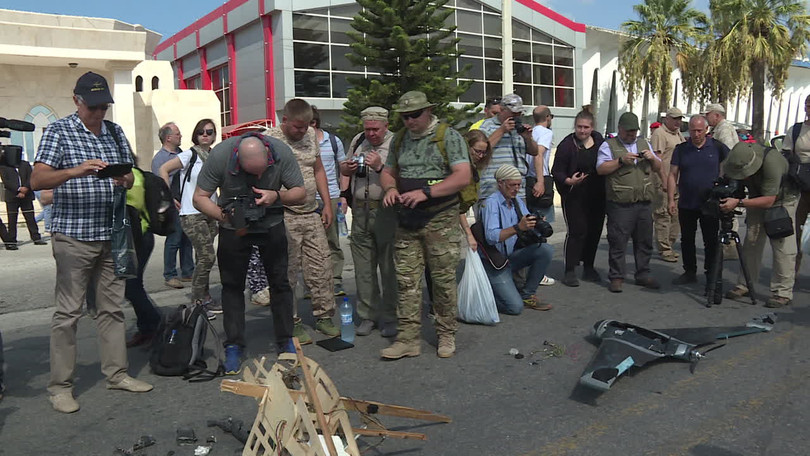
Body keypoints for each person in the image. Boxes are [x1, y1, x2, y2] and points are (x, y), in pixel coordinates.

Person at [31, 71, 153, 413]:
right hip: (73, 236)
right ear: (77, 101)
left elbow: (130, 174)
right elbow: (38, 178)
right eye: (94, 106)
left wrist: (125, 178)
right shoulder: (59, 131)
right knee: (68, 313)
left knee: (112, 309)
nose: (100, 113)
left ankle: (117, 374)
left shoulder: (114, 131)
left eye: (104, 106)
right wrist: (74, 171)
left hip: (111, 234)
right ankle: (60, 386)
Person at [193, 132, 306, 374]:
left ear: (268, 156)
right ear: (238, 160)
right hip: (233, 227)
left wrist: (277, 196)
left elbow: (301, 192)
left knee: (280, 284)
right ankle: (234, 343)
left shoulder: (281, 152)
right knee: (232, 287)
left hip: (272, 222)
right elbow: (199, 197)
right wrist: (224, 216)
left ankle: (285, 338)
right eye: (251, 173)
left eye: (261, 173)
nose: (257, 178)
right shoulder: (221, 155)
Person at [379, 91, 472, 360]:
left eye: (414, 115)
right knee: (406, 281)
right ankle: (408, 339)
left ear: (428, 111)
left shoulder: (448, 137)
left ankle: (446, 334)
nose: (409, 121)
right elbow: (388, 171)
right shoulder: (399, 140)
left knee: (442, 280)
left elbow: (462, 176)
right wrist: (390, 188)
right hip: (407, 220)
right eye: (404, 117)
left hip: (440, 219)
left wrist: (427, 193)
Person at [265, 99, 338, 344]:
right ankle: (291, 321)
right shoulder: (269, 140)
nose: (302, 131)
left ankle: (324, 315)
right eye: (297, 126)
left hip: (310, 212)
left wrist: (326, 204)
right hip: (283, 215)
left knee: (321, 267)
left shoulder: (309, 136)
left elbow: (318, 170)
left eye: (307, 126)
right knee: (287, 273)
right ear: (284, 120)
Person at [341, 106, 398, 337]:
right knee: (363, 268)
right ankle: (367, 315)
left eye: (375, 129)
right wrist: (347, 169)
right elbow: (344, 170)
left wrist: (379, 167)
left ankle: (392, 316)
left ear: (385, 126)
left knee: (389, 268)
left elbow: (403, 176)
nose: (371, 134)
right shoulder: (358, 140)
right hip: (360, 211)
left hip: (386, 210)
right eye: (367, 129)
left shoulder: (396, 143)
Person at [721, 142, 800, 308]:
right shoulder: (738, 157)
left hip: (782, 201)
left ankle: (782, 292)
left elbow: (769, 200)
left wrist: (739, 202)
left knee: (782, 246)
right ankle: (745, 283)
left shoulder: (772, 162)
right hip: (756, 197)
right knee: (752, 241)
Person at [159, 119, 221, 315]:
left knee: (202, 258)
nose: (205, 134)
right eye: (201, 131)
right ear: (195, 134)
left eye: (209, 132)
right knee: (207, 256)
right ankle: (197, 302)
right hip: (192, 213)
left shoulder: (214, 156)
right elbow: (164, 169)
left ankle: (206, 297)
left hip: (210, 212)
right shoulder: (189, 155)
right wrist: (169, 196)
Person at [596, 112, 663, 293]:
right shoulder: (609, 145)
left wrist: (651, 158)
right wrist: (620, 160)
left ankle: (643, 273)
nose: (631, 135)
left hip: (643, 202)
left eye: (634, 132)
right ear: (620, 129)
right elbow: (601, 169)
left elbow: (658, 167)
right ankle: (616, 277)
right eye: (628, 132)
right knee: (618, 241)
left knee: (644, 241)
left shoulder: (643, 143)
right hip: (620, 204)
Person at [480, 164, 554, 314]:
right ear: (500, 183)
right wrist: (518, 228)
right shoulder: (491, 203)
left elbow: (527, 221)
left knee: (546, 250)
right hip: (495, 263)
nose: (516, 189)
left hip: (510, 258)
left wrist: (537, 223)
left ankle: (527, 294)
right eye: (512, 185)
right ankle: (486, 296)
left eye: (519, 185)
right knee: (515, 307)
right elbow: (491, 237)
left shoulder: (516, 201)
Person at [667, 116, 729, 286]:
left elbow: (729, 170)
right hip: (687, 202)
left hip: (710, 204)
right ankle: (689, 271)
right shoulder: (681, 149)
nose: (696, 134)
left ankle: (712, 274)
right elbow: (672, 175)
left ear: (706, 129)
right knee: (687, 239)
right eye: (693, 130)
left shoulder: (717, 148)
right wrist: (671, 199)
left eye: (699, 130)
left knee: (711, 241)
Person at [551, 109, 606, 287]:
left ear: (592, 127)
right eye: (579, 127)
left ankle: (589, 267)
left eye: (586, 127)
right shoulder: (567, 145)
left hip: (597, 194)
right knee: (577, 231)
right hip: (575, 195)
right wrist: (568, 180)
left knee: (594, 230)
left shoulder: (599, 141)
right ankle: (570, 270)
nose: (582, 131)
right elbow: (557, 171)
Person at [122, 164, 163, 347]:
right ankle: (147, 328)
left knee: (131, 286)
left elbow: (135, 203)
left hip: (140, 238)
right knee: (132, 285)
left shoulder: (134, 175)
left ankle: (157, 324)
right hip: (129, 238)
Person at [151, 122, 194, 289]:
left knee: (187, 238)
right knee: (174, 239)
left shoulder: (181, 154)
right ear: (168, 138)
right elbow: (159, 184)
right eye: (177, 133)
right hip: (172, 205)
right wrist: (171, 200)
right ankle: (169, 275)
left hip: (185, 203)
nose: (181, 136)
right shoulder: (160, 159)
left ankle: (188, 272)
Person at [310, 106, 348, 296]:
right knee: (309, 245)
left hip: (331, 196)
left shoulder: (333, 141)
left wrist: (343, 195)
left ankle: (336, 280)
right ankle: (313, 284)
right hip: (307, 199)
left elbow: (343, 169)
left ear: (313, 123)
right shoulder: (301, 144)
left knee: (332, 241)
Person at [478, 94, 539, 200]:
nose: (516, 116)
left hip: (518, 191)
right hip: (492, 190)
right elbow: (482, 149)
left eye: (519, 113)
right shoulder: (486, 126)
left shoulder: (519, 128)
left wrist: (528, 138)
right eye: (513, 113)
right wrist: (501, 131)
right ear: (502, 109)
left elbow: (535, 152)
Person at [705, 103, 741, 261]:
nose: (707, 118)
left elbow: (727, 153)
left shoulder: (724, 129)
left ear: (717, 115)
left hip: (727, 175)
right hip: (727, 173)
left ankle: (729, 247)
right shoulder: (719, 128)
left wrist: (721, 176)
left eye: (708, 115)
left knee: (726, 210)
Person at [650, 107, 685, 263]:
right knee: (663, 214)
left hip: (677, 180)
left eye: (680, 119)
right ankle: (664, 248)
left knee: (675, 214)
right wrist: (663, 180)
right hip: (663, 179)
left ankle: (670, 244)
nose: (678, 122)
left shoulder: (677, 134)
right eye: (675, 119)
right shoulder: (660, 134)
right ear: (667, 119)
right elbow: (657, 159)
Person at [782, 94, 810, 271]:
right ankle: (791, 272)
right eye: (808, 104)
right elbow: (785, 153)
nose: (809, 108)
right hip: (800, 185)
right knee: (795, 231)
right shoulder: (796, 129)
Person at [0, 159, 46, 248]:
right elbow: (6, 181)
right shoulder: (4, 166)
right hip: (12, 196)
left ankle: (36, 238)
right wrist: (18, 189)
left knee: (30, 218)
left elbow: (31, 177)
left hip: (26, 195)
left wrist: (25, 188)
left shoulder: (25, 164)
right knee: (12, 220)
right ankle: (12, 241)